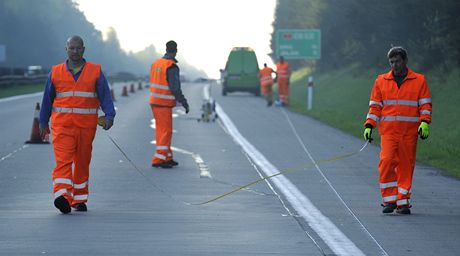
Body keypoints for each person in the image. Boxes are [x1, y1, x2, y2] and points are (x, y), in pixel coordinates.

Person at [39, 35, 116, 214]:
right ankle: (62, 196)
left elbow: (105, 96)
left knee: (82, 162)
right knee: (63, 162)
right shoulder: (56, 72)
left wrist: (109, 116)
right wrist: (43, 122)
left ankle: (79, 199)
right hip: (62, 127)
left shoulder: (95, 72)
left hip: (86, 128)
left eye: (78, 48)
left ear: (84, 49)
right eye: (71, 48)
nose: (75, 51)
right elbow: (47, 99)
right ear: (66, 49)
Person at [363, 46, 432, 215]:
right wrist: (369, 125)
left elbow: (425, 104)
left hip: (409, 133)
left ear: (405, 61)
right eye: (391, 62)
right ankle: (389, 200)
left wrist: (425, 123)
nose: (394, 65)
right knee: (386, 163)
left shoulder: (419, 80)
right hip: (388, 132)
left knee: (406, 166)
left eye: (397, 61)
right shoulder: (381, 81)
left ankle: (403, 202)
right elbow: (375, 106)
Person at [149, 40, 189, 168]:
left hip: (155, 101)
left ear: (166, 49)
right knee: (165, 131)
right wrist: (184, 102)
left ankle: (167, 156)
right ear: (176, 50)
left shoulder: (156, 64)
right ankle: (159, 159)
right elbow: (175, 88)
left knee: (162, 130)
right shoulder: (171, 66)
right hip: (164, 103)